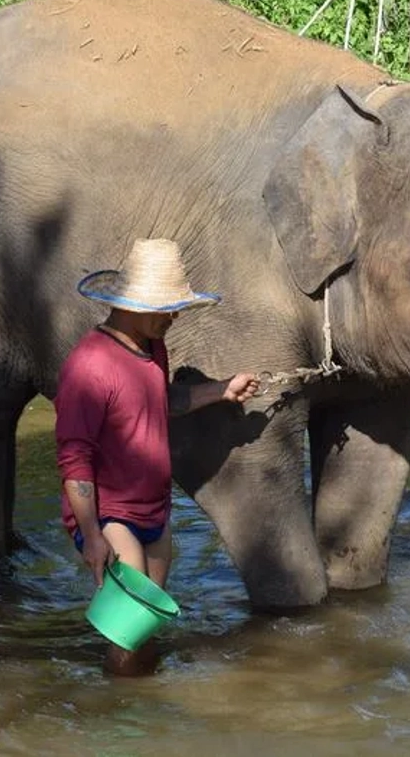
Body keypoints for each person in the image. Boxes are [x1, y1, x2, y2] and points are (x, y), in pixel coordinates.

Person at [54, 237, 260, 674]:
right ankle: (120, 723)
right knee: (127, 633)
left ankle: (136, 703)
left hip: (153, 511)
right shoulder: (88, 367)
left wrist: (222, 389)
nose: (175, 316)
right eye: (167, 307)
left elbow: (158, 401)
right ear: (132, 304)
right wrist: (91, 535)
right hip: (109, 517)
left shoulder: (152, 348)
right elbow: (75, 460)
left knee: (143, 631)